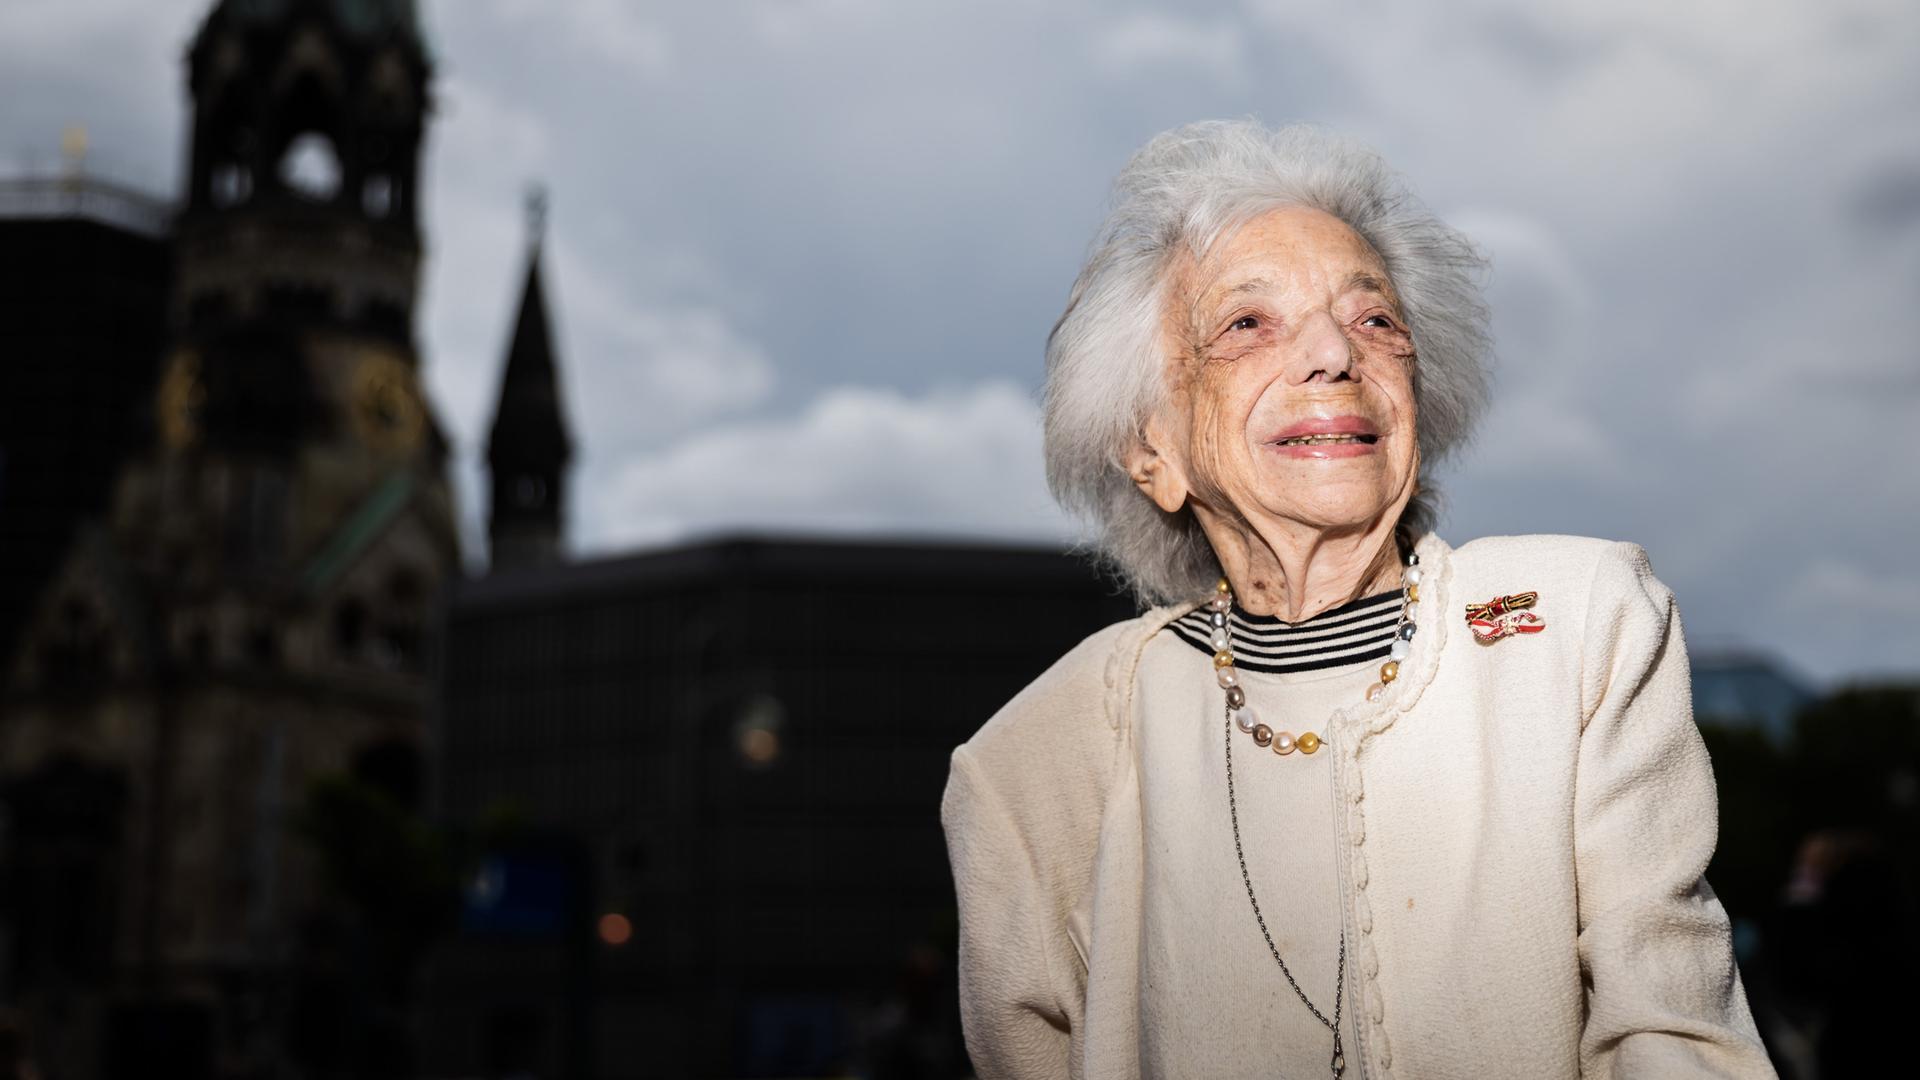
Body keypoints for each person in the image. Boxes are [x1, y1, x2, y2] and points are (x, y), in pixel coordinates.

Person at [940, 120, 1774, 1079]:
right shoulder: (1036, 762)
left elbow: (1673, 1028)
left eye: (1376, 320)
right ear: (1151, 452)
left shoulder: (1575, 623)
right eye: (1246, 324)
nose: (1337, 352)